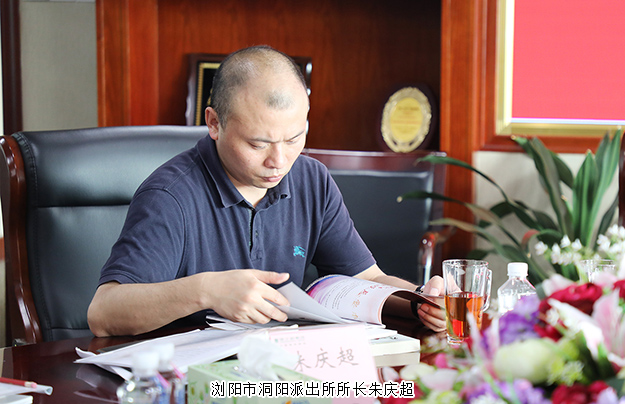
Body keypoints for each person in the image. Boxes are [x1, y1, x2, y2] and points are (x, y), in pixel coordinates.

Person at [87, 45, 445, 337]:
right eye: (258, 144)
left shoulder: (311, 179)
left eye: (294, 139)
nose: (279, 161)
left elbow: (367, 278)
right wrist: (206, 291)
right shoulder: (170, 196)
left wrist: (420, 299)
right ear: (214, 123)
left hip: (281, 370)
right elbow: (103, 313)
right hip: (194, 380)